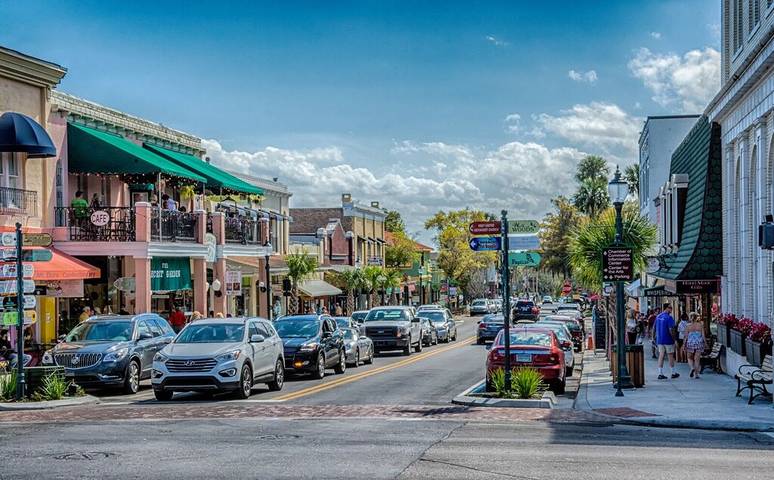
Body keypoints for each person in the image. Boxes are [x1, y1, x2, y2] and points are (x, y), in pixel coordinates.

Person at [654, 303, 679, 380]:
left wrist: (653, 338)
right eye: (670, 308)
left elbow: (654, 328)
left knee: (661, 355)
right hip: (668, 340)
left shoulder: (658, 317)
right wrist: (674, 339)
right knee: (670, 355)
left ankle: (660, 373)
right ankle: (673, 372)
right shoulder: (669, 318)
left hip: (660, 340)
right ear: (666, 308)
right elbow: (671, 329)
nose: (671, 309)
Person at [685, 312, 707, 379]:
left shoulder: (688, 326)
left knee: (689, 358)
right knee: (697, 359)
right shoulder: (700, 325)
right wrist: (705, 343)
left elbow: (686, 336)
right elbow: (703, 335)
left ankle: (692, 368)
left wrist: (683, 344)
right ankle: (696, 375)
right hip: (699, 343)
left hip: (690, 343)